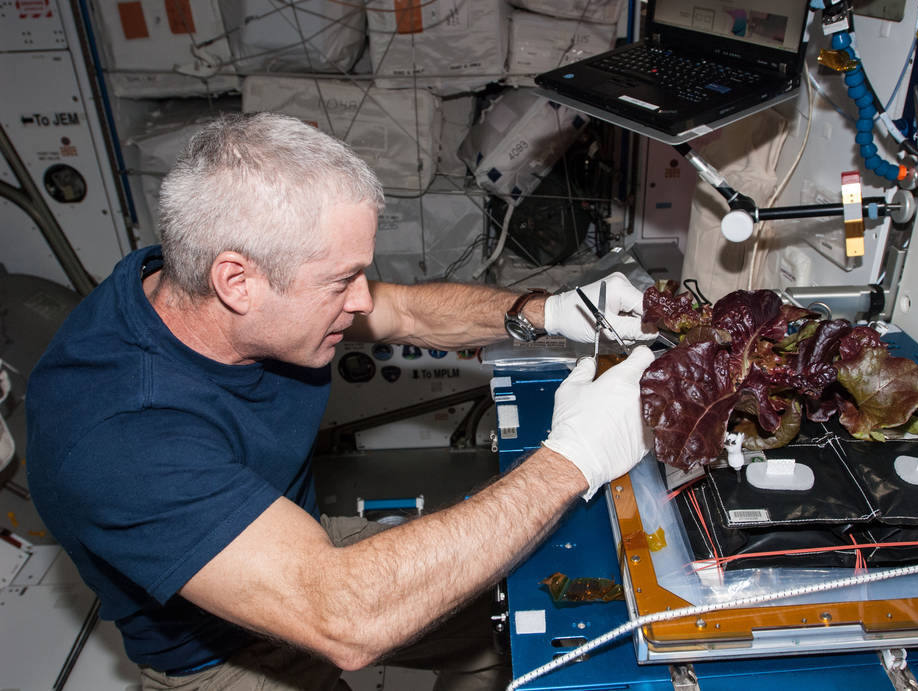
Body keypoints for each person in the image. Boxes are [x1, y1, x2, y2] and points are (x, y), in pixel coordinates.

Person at [25, 113, 656, 690]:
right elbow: (343, 615)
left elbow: (403, 310)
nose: (361, 300)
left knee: (513, 619)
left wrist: (546, 311)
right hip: (218, 650)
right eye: (340, 281)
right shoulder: (119, 433)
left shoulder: (198, 282)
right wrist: (575, 457)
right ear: (236, 281)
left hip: (297, 542)